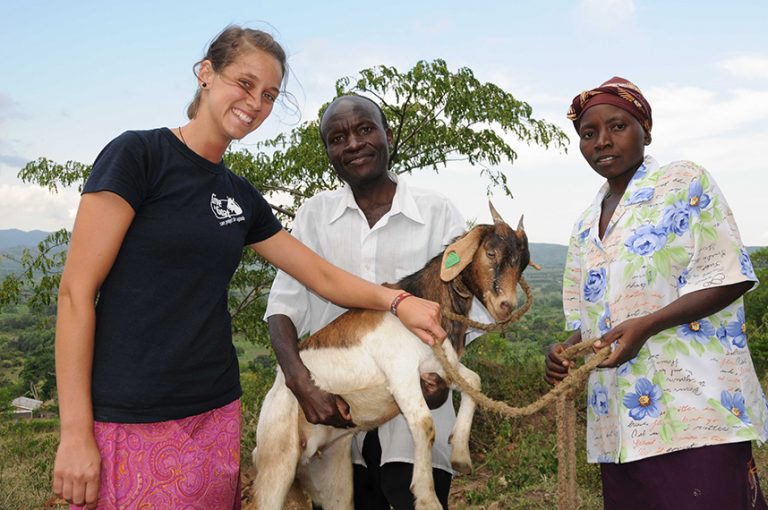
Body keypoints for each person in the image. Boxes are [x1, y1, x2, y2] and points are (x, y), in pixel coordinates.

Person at [52, 27, 448, 510]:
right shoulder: (139, 156)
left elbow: (321, 277)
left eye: (269, 95)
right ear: (205, 73)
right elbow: (75, 294)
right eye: (244, 83)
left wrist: (399, 300)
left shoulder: (239, 196)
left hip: (214, 409)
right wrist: (74, 432)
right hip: (132, 411)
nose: (255, 103)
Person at [544, 76, 768, 510]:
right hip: (619, 429)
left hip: (698, 412)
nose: (602, 141)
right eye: (588, 134)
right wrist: (564, 352)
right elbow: (586, 323)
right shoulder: (585, 222)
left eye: (617, 126)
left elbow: (730, 275)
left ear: (645, 130)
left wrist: (648, 326)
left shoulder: (684, 181)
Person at [265, 94, 489, 509]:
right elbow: (282, 307)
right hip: (334, 409)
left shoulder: (436, 213)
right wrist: (302, 385)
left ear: (387, 136)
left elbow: (465, 307)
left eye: (365, 129)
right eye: (338, 137)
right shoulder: (314, 215)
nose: (353, 143)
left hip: (416, 415)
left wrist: (442, 378)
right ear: (329, 152)